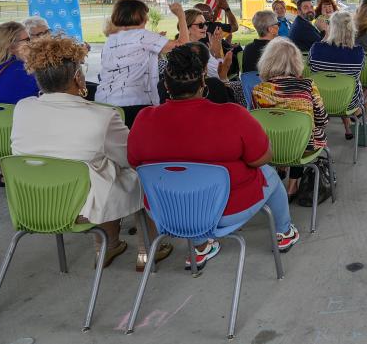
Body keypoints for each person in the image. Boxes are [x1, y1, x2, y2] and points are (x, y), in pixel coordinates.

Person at [128, 44, 300, 270]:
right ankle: (284, 231)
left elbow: (134, 162)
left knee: (184, 180)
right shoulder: (232, 114)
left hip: (166, 212)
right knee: (268, 173)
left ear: (166, 85)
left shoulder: (144, 118)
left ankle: (200, 247)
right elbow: (261, 158)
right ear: (203, 81)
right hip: (226, 211)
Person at [11, 36, 171, 270]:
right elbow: (132, 159)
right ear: (77, 77)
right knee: (141, 175)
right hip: (81, 206)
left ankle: (108, 246)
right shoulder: (101, 117)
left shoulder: (22, 108)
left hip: (34, 203)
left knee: (97, 172)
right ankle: (146, 252)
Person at [252, 37, 328, 196]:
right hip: (304, 147)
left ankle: (280, 169)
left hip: (271, 149)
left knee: (282, 131)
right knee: (303, 132)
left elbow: (257, 126)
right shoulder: (308, 86)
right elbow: (322, 119)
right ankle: (292, 185)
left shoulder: (258, 90)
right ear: (296, 61)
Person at [95, 0, 188, 127]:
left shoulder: (112, 39)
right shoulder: (143, 36)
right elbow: (183, 46)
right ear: (140, 16)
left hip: (104, 102)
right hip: (131, 103)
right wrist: (181, 16)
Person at [308, 11, 365, 139]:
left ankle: (347, 125)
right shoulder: (358, 52)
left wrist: (326, 36)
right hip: (348, 101)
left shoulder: (316, 48)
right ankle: (356, 115)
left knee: (332, 83)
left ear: (331, 27)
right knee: (349, 84)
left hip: (319, 101)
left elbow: (310, 66)